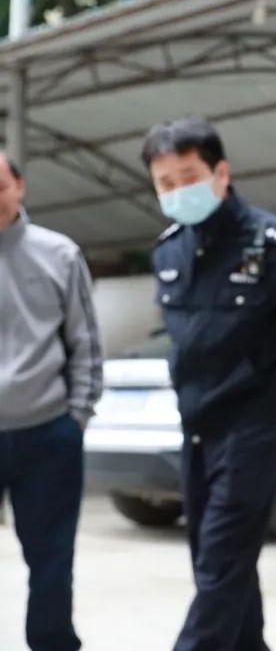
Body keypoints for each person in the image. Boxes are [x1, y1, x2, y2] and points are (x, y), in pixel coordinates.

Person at [142, 118, 276, 651]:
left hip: (255, 426)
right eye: (165, 183)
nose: (178, 191)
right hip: (198, 426)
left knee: (222, 560)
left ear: (220, 172)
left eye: (188, 176)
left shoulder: (274, 244)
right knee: (216, 556)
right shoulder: (167, 253)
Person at [0, 151, 103, 651]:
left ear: (18, 185)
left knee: (51, 558)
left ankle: (52, 643)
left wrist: (76, 418)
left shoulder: (59, 253)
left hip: (48, 433)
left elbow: (86, 341)